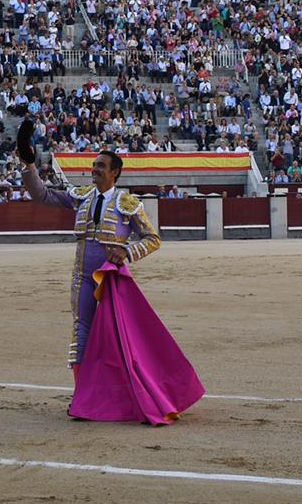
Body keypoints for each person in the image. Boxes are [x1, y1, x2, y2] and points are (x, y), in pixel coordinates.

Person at [17, 120, 202, 424]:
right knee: (82, 334)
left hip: (112, 282)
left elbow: (153, 239)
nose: (94, 170)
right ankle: (85, 398)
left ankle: (127, 394)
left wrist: (127, 251)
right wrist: (28, 165)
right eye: (94, 165)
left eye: (100, 166)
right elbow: (43, 196)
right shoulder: (82, 196)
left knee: (122, 339)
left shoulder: (127, 203)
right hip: (82, 278)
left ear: (115, 171)